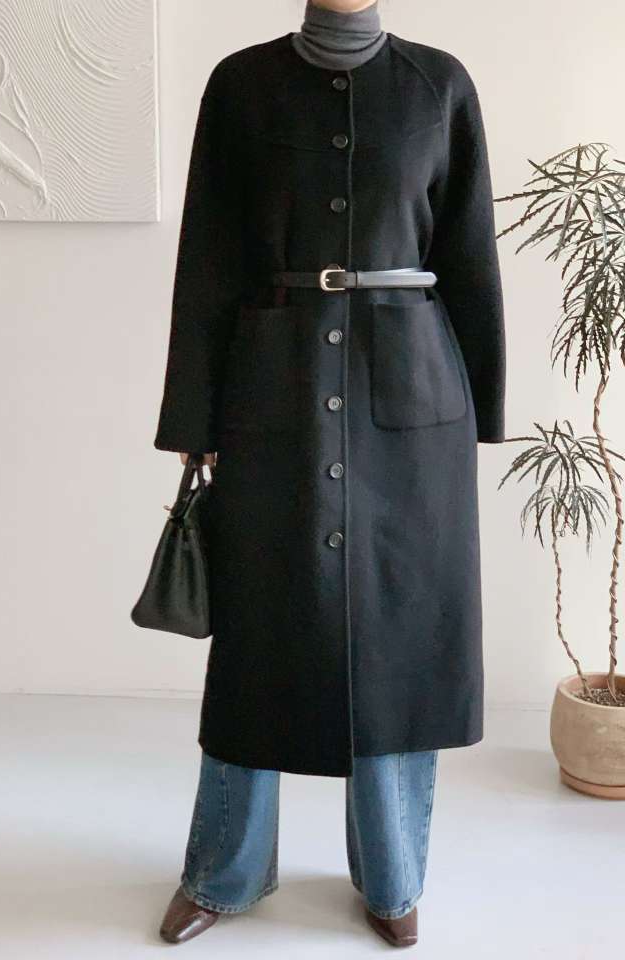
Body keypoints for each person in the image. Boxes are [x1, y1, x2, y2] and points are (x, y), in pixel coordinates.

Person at [154, 0, 506, 947]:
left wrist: (482, 413)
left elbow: (468, 252)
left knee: (401, 640)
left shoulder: (439, 84)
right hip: (273, 389)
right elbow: (208, 258)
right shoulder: (241, 85)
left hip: (413, 399)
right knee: (256, 634)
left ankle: (393, 879)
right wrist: (194, 417)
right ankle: (223, 869)